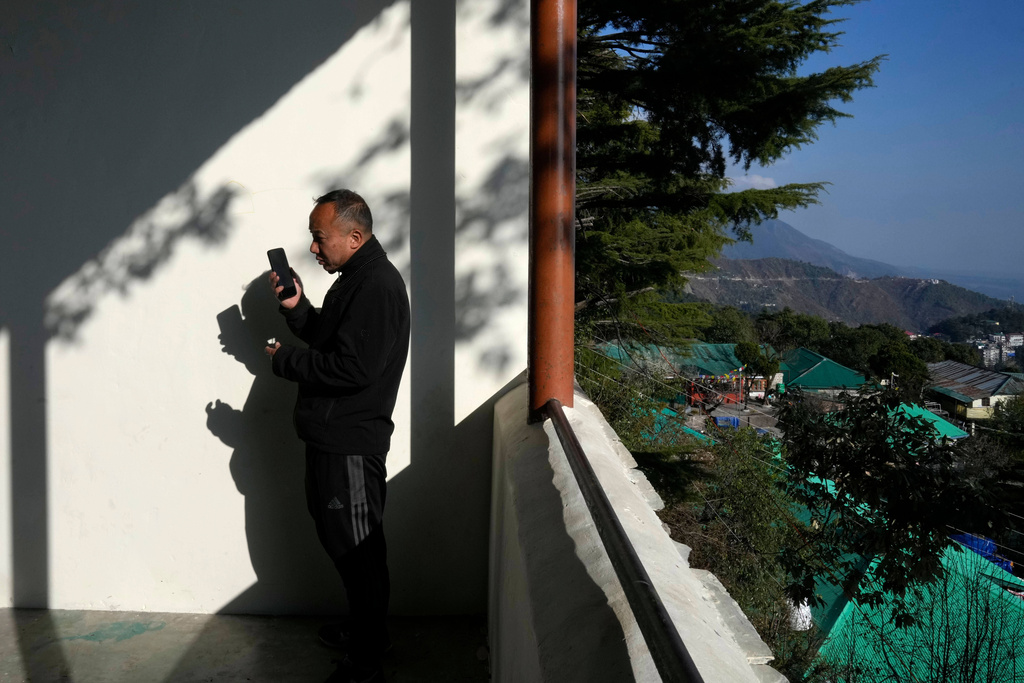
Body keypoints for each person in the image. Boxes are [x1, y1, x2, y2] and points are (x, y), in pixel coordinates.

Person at [266, 190, 410, 683]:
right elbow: (335, 341)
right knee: (347, 544)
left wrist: (284, 359)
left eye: (318, 237)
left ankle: (367, 659)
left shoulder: (377, 286)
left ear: (354, 236)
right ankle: (367, 631)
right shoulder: (358, 279)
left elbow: (353, 368)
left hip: (350, 442)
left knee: (357, 550)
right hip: (336, 438)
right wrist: (297, 307)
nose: (312, 248)